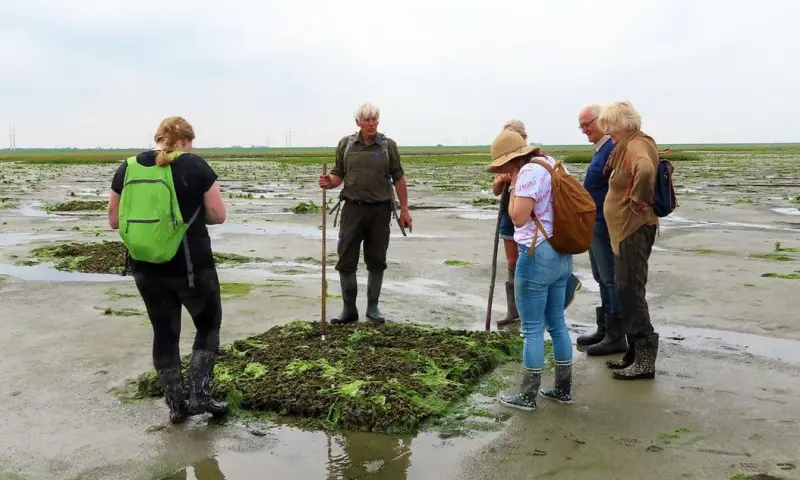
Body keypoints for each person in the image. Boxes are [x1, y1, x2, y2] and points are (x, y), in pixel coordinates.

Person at [107, 116, 229, 423]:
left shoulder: (128, 167)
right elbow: (218, 215)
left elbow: (114, 220)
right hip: (191, 265)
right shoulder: (195, 166)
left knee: (164, 332)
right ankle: (200, 396)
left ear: (159, 138)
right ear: (186, 141)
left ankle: (177, 407)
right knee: (207, 325)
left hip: (145, 267)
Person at [488, 129, 574, 411]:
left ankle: (527, 396)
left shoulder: (525, 174)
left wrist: (513, 186)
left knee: (533, 329)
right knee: (558, 324)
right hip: (561, 251)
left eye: (502, 165)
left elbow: (518, 217)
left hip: (536, 254)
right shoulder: (552, 164)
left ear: (512, 160)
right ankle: (563, 389)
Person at [318, 103, 412, 324]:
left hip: (380, 211)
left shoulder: (388, 146)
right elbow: (338, 175)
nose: (371, 124)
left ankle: (373, 307)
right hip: (352, 210)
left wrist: (404, 210)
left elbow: (398, 179)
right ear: (358, 122)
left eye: (375, 120)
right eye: (367, 120)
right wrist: (328, 183)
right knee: (346, 260)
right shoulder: (346, 145)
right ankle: (349, 310)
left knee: (377, 260)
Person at [494, 121, 582, 328]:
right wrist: (501, 183)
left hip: (533, 221)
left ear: (522, 139)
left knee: (537, 264)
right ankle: (514, 309)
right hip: (512, 215)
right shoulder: (513, 166)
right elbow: (497, 191)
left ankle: (547, 301)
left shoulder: (532, 166)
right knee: (512, 263)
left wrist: (515, 180)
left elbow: (522, 215)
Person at [597, 101, 660, 380]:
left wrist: (637, 199)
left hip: (633, 229)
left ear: (622, 124)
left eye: (610, 126)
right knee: (625, 290)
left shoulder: (637, 144)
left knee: (631, 291)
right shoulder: (626, 145)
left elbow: (645, 170)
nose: (607, 131)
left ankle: (645, 361)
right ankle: (634, 354)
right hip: (624, 231)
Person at [575, 105, 627, 356]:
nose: (584, 129)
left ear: (603, 121)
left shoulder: (612, 148)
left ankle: (616, 336)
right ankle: (605, 328)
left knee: (609, 279)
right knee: (600, 277)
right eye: (581, 126)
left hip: (605, 223)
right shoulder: (600, 150)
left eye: (588, 124)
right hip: (593, 222)